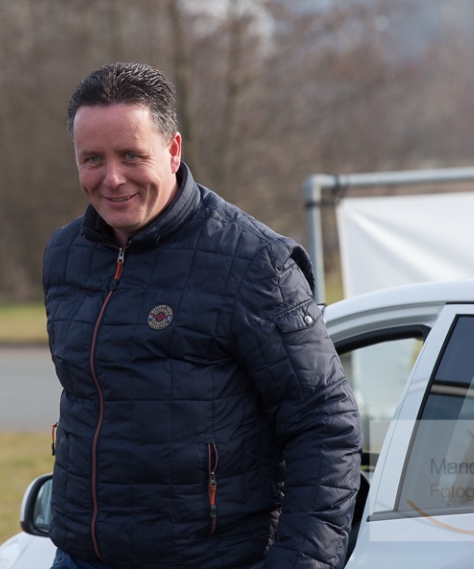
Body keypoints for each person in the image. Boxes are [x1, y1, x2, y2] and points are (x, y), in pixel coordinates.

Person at [42, 62, 361, 569]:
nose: (112, 178)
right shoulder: (65, 256)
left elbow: (324, 425)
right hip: (80, 557)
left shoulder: (254, 263)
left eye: (131, 155)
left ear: (173, 151)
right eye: (93, 159)